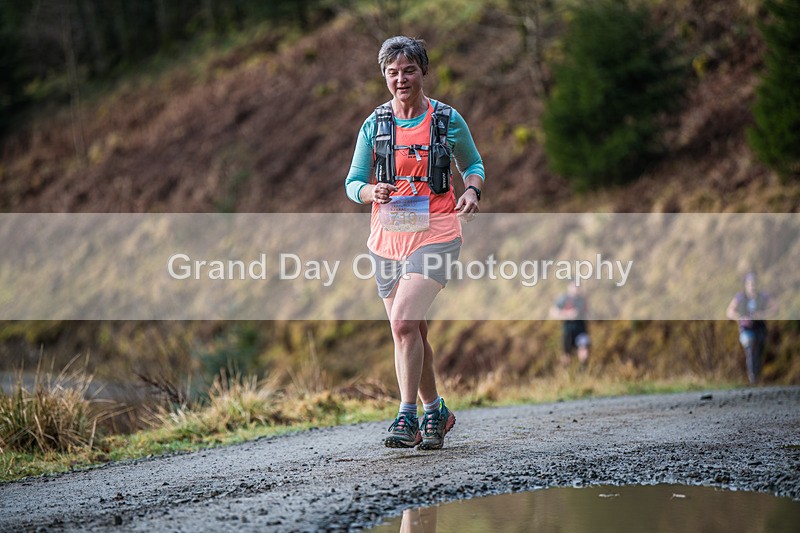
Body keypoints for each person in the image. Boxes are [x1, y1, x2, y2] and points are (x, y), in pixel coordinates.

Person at [344, 36, 485, 450]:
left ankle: (406, 417)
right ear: (384, 76)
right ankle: (436, 411)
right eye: (392, 72)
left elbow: (472, 164)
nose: (401, 79)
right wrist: (371, 191)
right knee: (412, 331)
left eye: (409, 70)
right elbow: (353, 182)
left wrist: (472, 190)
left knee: (403, 322)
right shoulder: (374, 124)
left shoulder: (446, 119)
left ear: (423, 72)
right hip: (388, 237)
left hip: (437, 231)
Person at [726, 272, 775, 384]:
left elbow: (775, 308)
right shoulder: (740, 297)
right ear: (746, 285)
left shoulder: (763, 296)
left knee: (759, 351)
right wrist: (741, 317)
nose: (752, 286)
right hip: (746, 329)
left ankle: (757, 376)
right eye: (750, 284)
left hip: (760, 328)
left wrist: (763, 314)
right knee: (750, 347)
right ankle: (752, 377)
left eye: (754, 283)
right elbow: (729, 311)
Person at [549, 282, 590, 366]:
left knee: (584, 352)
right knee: (567, 356)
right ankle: (565, 372)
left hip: (581, 330)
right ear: (569, 287)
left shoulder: (582, 300)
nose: (576, 288)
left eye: (578, 286)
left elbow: (586, 312)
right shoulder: (563, 299)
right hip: (568, 330)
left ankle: (583, 371)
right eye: (574, 286)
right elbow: (553, 312)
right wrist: (567, 314)